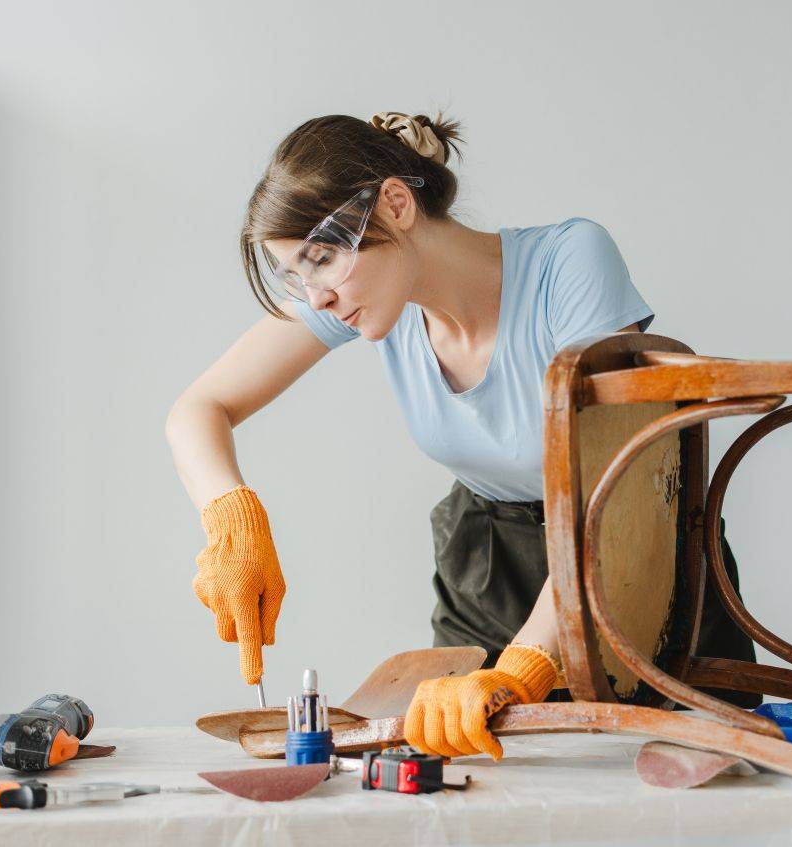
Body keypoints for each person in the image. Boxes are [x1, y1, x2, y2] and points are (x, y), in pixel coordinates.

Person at [166, 110, 757, 762]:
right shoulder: (371, 296)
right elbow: (199, 407)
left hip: (633, 549)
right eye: (296, 275)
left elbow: (609, 497)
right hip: (489, 565)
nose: (318, 296)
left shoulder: (570, 262)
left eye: (323, 258)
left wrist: (526, 662)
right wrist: (233, 518)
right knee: (474, 783)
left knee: (677, 782)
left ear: (396, 203)